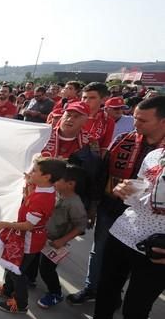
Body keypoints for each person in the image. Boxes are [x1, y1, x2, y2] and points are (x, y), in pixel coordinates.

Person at [64, 147, 165, 319]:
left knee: (135, 309)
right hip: (123, 232)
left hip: (156, 250)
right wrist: (124, 189)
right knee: (107, 287)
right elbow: (140, 188)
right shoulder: (155, 154)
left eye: (143, 120)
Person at [68, 96, 165, 304]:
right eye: (135, 118)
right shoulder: (124, 140)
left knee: (136, 266)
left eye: (142, 121)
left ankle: (116, 296)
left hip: (151, 221)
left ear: (162, 122)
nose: (135, 123)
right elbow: (103, 173)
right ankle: (93, 289)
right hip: (111, 207)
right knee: (100, 251)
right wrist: (93, 206)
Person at [0, 157, 66, 314]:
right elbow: (30, 199)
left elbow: (29, 225)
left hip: (29, 240)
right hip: (24, 237)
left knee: (18, 271)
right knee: (12, 264)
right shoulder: (43, 188)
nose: (31, 173)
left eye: (35, 170)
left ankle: (21, 304)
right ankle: (8, 290)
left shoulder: (42, 199)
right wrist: (29, 184)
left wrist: (5, 224)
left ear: (47, 177)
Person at [35, 165, 88, 308]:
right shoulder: (57, 192)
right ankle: (30, 279)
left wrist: (62, 240)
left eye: (58, 179)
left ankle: (55, 293)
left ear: (70, 184)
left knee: (46, 269)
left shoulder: (75, 204)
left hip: (55, 243)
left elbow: (81, 225)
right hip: (43, 237)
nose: (54, 181)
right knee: (34, 259)